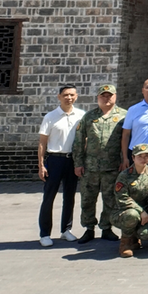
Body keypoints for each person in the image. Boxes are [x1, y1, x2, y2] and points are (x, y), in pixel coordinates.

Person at [72, 83, 125, 243]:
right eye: (103, 95)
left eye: (110, 95)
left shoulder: (124, 116)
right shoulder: (89, 117)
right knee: (88, 199)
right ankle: (88, 228)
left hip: (113, 166)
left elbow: (128, 140)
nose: (106, 98)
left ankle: (106, 228)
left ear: (115, 97)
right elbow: (79, 141)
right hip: (90, 167)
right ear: (98, 98)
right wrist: (78, 163)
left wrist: (125, 161)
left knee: (110, 199)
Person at [37, 85, 85, 246]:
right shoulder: (50, 117)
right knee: (49, 197)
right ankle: (44, 233)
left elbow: (84, 140)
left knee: (69, 196)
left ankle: (66, 230)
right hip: (55, 160)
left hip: (72, 160)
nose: (68, 98)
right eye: (65, 95)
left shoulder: (81, 115)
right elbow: (43, 143)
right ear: (59, 97)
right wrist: (41, 164)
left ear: (76, 96)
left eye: (72, 95)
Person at [112, 143, 148, 258]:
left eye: (146, 156)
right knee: (132, 215)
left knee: (146, 234)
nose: (143, 159)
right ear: (133, 157)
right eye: (140, 156)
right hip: (124, 211)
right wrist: (141, 211)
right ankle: (125, 244)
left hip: (146, 211)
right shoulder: (124, 175)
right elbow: (122, 198)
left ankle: (135, 236)